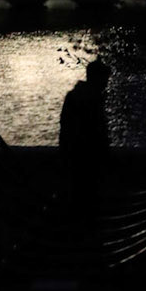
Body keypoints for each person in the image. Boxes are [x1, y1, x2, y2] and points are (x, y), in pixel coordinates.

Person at [59, 57, 111, 215]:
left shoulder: (75, 96)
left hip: (74, 156)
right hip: (85, 157)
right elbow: (95, 132)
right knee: (86, 196)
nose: (106, 83)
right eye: (105, 80)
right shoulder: (91, 100)